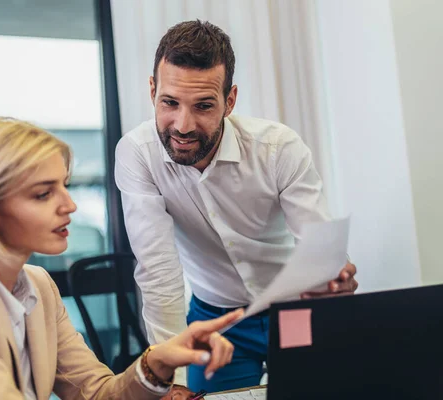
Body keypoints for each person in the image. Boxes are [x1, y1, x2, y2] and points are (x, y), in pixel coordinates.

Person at [0, 117, 242, 400]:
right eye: (43, 193)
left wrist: (157, 363)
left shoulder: (37, 286)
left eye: (65, 186)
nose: (69, 205)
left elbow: (94, 393)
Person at [115, 20, 359, 395]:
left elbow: (318, 242)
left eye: (203, 106)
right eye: (170, 102)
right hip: (217, 322)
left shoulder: (277, 148)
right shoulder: (137, 155)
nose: (183, 125)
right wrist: (171, 382)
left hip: (291, 311)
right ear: (152, 91)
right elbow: (158, 269)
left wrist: (332, 278)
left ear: (230, 101)